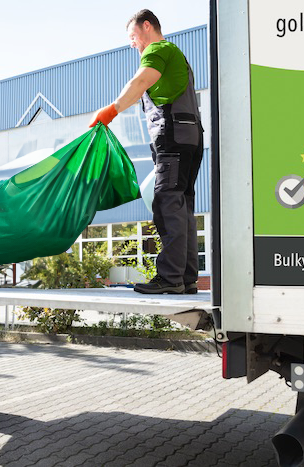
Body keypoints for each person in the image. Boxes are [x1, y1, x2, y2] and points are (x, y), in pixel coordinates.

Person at [89, 9, 204, 295]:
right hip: (189, 138)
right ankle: (186, 278)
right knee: (182, 205)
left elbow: (140, 82)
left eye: (132, 36)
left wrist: (111, 110)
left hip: (174, 139)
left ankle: (170, 278)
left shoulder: (158, 49)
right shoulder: (177, 57)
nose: (132, 44)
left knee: (167, 202)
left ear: (147, 27)